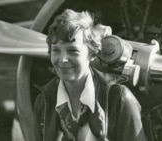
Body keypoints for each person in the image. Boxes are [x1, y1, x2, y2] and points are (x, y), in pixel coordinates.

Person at [34, 9, 147, 141]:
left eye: (73, 51)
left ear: (92, 54)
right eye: (56, 50)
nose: (63, 59)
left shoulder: (120, 99)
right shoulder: (43, 102)